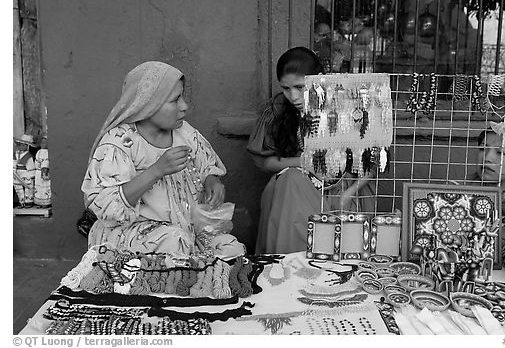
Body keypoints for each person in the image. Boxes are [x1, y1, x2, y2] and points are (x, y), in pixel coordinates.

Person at [82, 61, 243, 258]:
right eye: (175, 100)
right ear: (148, 105)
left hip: (187, 229)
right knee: (174, 243)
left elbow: (207, 165)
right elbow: (106, 207)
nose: (184, 106)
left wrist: (212, 181)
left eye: (182, 97)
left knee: (232, 249)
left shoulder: (185, 132)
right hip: (134, 233)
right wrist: (156, 170)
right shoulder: (120, 143)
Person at [247, 47, 376, 254]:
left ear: (320, 80)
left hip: (344, 187)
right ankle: (290, 268)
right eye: (286, 88)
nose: (293, 96)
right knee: (290, 182)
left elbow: (371, 161)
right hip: (295, 186)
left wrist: (350, 193)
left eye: (300, 87)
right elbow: (266, 162)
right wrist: (304, 163)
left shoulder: (346, 103)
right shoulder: (279, 108)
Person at [13, 134, 37, 207]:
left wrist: (32, 175)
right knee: (18, 187)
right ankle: (21, 201)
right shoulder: (16, 154)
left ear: (27, 146)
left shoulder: (28, 156)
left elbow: (31, 166)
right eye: (20, 144)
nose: (20, 146)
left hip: (26, 173)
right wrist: (13, 169)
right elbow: (13, 162)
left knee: (28, 187)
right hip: (17, 173)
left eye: (23, 145)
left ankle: (28, 201)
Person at [34, 135, 51, 207]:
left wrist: (44, 172)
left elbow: (45, 163)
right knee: (38, 188)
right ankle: (39, 202)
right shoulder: (39, 152)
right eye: (42, 142)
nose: (42, 144)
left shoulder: (46, 152)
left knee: (45, 188)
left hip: (43, 172)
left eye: (44, 142)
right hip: (38, 172)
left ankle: (45, 203)